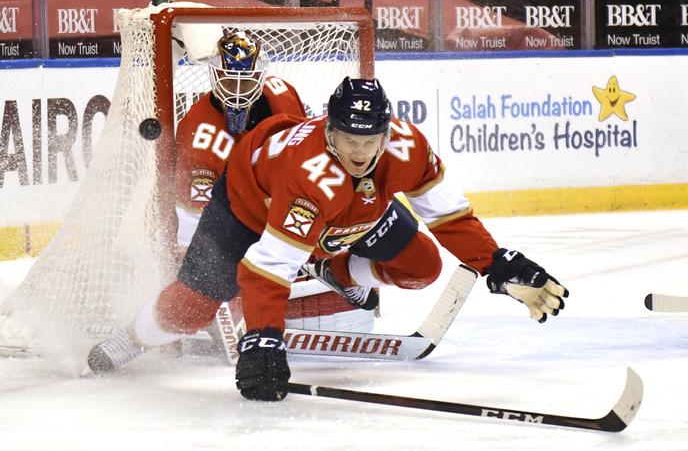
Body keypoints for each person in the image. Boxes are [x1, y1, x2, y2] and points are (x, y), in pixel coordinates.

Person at [87, 77, 568, 403]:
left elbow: (447, 215)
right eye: (348, 139)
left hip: (342, 214)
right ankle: (129, 340)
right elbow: (267, 267)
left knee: (421, 265)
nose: (360, 152)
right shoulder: (310, 177)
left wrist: (496, 263)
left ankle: (328, 266)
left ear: (387, 133)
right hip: (247, 207)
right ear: (328, 129)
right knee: (192, 307)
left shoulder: (407, 147)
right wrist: (264, 341)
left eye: (370, 140)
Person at [174, 30, 372, 335]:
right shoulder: (197, 130)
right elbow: (193, 216)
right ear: (213, 76)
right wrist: (202, 274)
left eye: (248, 79)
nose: (238, 90)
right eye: (228, 79)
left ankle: (323, 263)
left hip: (278, 190)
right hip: (231, 211)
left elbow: (308, 152)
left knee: (349, 196)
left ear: (263, 75)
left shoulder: (282, 96)